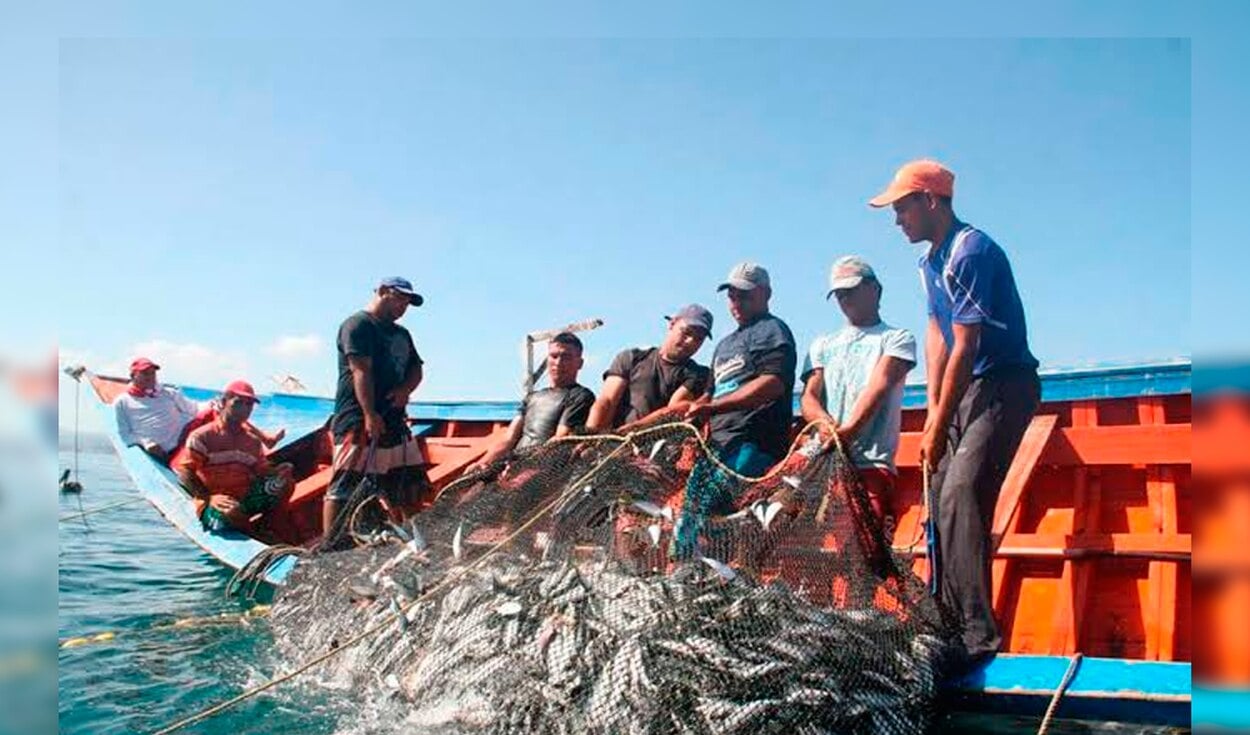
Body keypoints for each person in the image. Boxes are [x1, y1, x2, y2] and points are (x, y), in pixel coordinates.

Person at [869, 158, 1040, 669]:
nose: (897, 219)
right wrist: (933, 412)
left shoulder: (972, 251)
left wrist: (941, 423)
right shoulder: (928, 264)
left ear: (931, 201)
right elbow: (938, 339)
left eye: (902, 207)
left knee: (964, 491)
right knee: (940, 490)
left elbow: (968, 344)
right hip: (965, 389)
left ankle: (977, 635)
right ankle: (944, 620)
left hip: (1004, 384)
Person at [674, 262, 796, 557]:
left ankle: (724, 580)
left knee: (722, 517)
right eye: (731, 296)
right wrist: (697, 408)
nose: (735, 303)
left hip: (752, 444)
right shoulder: (725, 344)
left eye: (744, 295)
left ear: (766, 293)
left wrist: (714, 407)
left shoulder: (773, 330)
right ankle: (683, 574)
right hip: (715, 448)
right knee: (688, 517)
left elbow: (773, 384)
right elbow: (710, 394)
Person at [799, 256, 916, 525]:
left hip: (870, 463)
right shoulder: (822, 344)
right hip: (822, 459)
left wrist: (848, 430)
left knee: (865, 548)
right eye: (839, 293)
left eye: (850, 290)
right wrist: (823, 422)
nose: (844, 297)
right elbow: (809, 396)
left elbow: (881, 384)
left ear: (875, 289)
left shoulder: (897, 338)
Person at [325, 277, 432, 533]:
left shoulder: (402, 334)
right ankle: (328, 548)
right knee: (344, 487)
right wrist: (370, 414)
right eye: (400, 299)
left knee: (410, 485)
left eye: (408, 303)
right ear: (383, 292)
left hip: (395, 421)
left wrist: (405, 390)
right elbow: (360, 370)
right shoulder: (358, 325)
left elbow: (416, 368)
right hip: (358, 420)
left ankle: (419, 543)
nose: (404, 307)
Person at [467, 332, 595, 472]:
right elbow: (509, 439)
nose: (558, 362)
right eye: (554, 356)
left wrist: (522, 468)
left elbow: (559, 441)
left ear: (580, 363)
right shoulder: (532, 397)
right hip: (512, 465)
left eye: (566, 357)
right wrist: (483, 462)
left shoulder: (581, 396)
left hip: (545, 473)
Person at [177, 380, 293, 535]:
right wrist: (208, 497)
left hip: (245, 497)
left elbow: (260, 470)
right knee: (231, 511)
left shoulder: (252, 441)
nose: (244, 409)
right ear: (224, 402)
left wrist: (278, 471)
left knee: (286, 483)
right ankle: (255, 535)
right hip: (215, 502)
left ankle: (269, 523)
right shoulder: (202, 436)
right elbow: (185, 472)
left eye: (249, 405)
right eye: (238, 403)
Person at [584, 304, 713, 433]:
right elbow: (607, 401)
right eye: (687, 332)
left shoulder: (699, 374)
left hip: (662, 445)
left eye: (699, 339)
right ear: (672, 324)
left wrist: (633, 430)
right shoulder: (631, 358)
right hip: (615, 442)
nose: (690, 341)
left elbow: (672, 412)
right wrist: (590, 436)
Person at [113, 357, 203, 463]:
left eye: (153, 373)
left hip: (184, 441)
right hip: (161, 452)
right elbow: (125, 435)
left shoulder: (169, 393)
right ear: (133, 376)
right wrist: (145, 443)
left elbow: (193, 409)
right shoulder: (122, 401)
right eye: (145, 373)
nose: (151, 377)